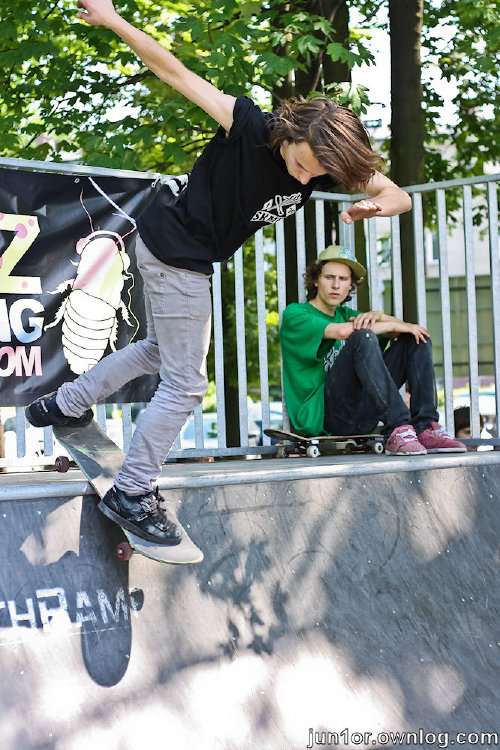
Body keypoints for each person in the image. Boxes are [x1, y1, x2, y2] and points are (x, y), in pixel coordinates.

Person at [25, 0, 413, 545]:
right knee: (186, 385)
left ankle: (59, 404)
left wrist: (374, 206)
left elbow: (399, 197)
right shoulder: (249, 125)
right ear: (294, 130)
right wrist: (113, 19)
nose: (304, 175)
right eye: (302, 161)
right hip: (178, 253)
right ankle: (133, 492)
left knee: (159, 353)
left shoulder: (328, 163)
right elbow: (175, 70)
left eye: (317, 173)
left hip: (174, 251)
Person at [280, 245, 467, 455]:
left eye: (343, 279)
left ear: (350, 284)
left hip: (363, 414)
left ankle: (425, 427)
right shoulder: (296, 314)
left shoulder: (349, 314)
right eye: (329, 277)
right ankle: (398, 428)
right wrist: (389, 324)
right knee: (362, 335)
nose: (336, 285)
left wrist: (380, 315)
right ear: (315, 279)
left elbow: (406, 329)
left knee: (415, 338)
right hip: (325, 416)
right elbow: (342, 332)